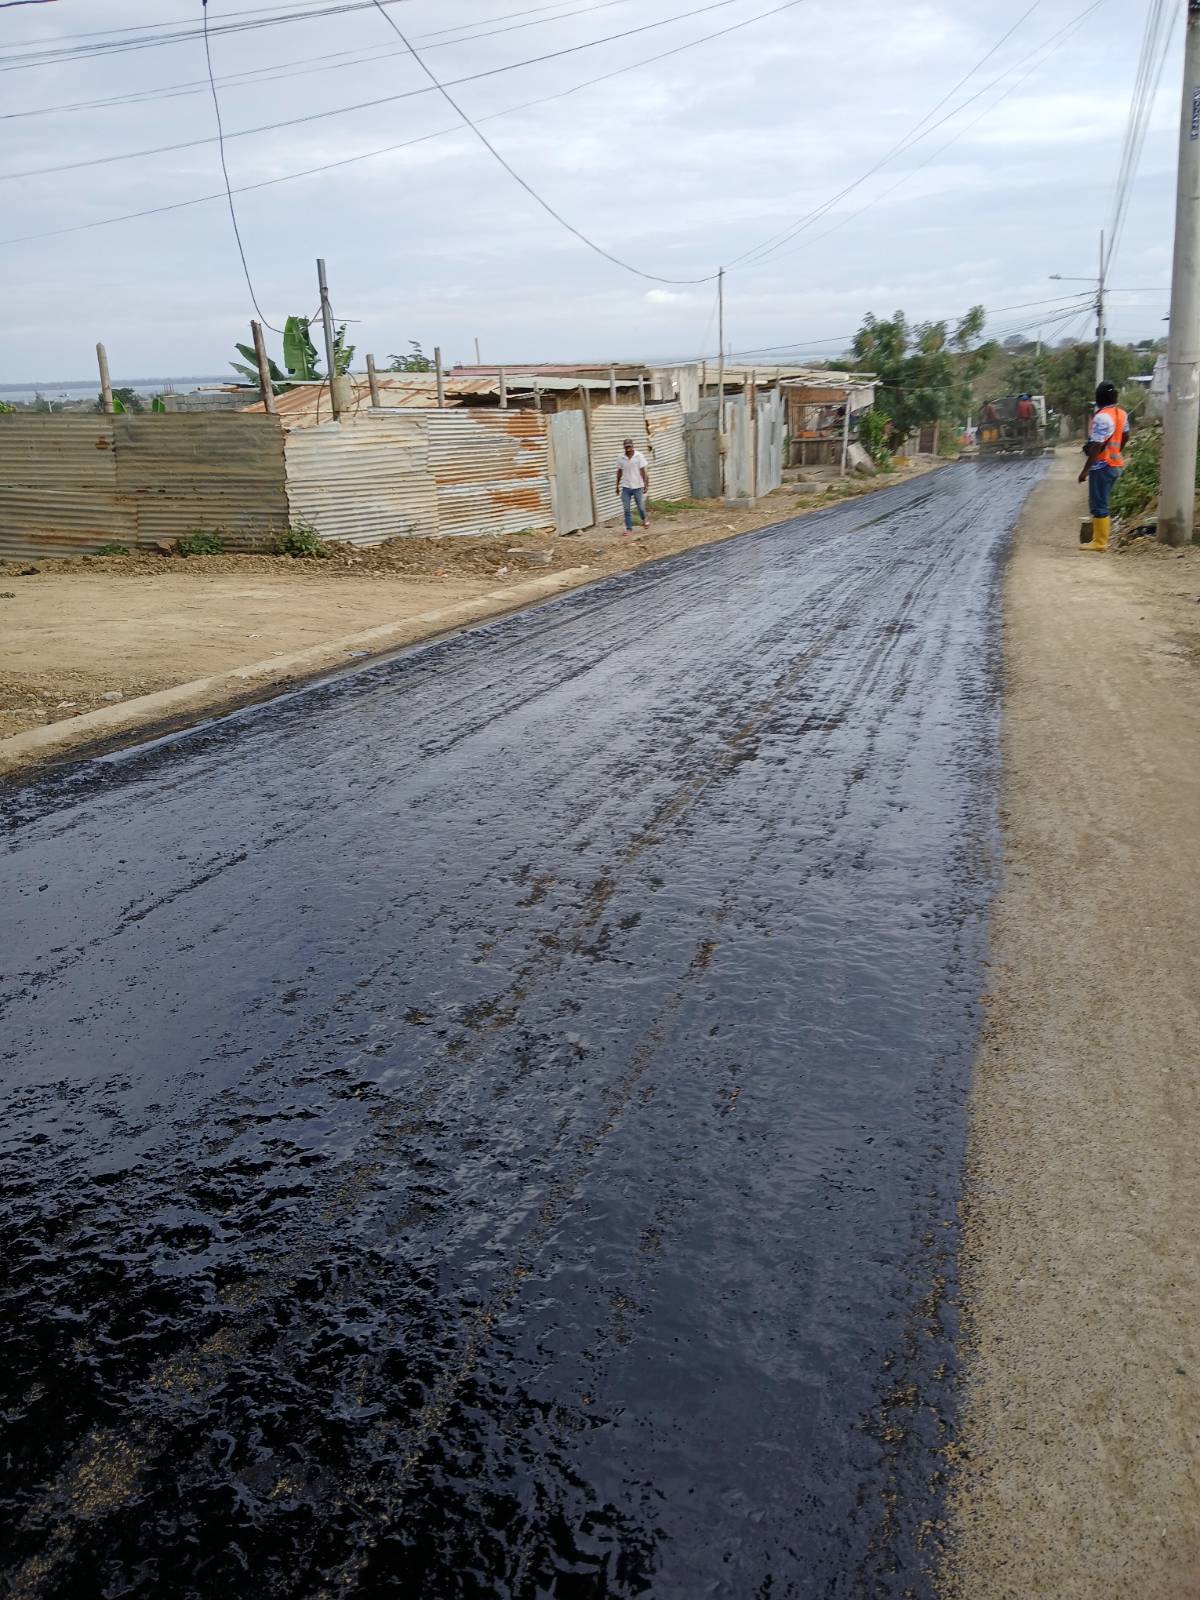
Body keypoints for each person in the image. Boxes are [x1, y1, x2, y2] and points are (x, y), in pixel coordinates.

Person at [1078, 380, 1129, 552]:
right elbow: (1126, 436)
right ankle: (1098, 539)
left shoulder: (1101, 417)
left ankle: (1100, 542)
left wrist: (1085, 470)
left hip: (1102, 466)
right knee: (1103, 501)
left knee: (1099, 503)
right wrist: (1117, 451)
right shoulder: (1121, 413)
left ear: (1099, 397)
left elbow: (1097, 446)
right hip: (1115, 464)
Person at [615, 438, 650, 534]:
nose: (628, 448)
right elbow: (619, 472)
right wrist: (617, 486)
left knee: (640, 507)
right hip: (626, 487)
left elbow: (643, 472)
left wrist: (646, 485)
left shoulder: (639, 456)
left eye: (629, 446)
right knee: (626, 509)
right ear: (624, 447)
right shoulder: (621, 458)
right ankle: (629, 528)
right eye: (626, 447)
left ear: (632, 446)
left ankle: (644, 519)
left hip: (638, 486)